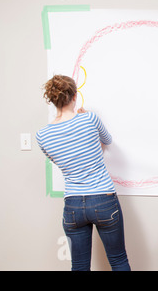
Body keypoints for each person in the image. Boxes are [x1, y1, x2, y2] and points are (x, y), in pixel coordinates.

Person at [36, 75, 131, 271]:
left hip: (73, 206)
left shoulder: (42, 135)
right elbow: (107, 140)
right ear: (74, 97)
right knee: (119, 261)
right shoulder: (89, 118)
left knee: (79, 266)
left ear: (53, 101)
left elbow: (58, 160)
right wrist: (86, 120)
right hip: (104, 200)